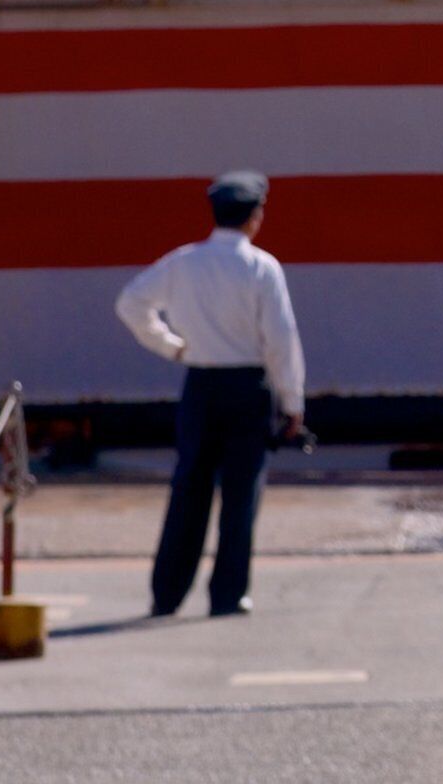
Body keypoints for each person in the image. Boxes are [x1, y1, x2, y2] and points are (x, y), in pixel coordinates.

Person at [114, 170, 309, 617]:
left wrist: (170, 345)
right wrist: (292, 403)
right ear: (254, 217)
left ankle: (167, 594)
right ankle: (227, 595)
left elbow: (130, 303)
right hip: (249, 388)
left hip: (200, 384)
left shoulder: (183, 262)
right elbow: (281, 340)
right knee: (241, 498)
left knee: (188, 490)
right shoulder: (261, 267)